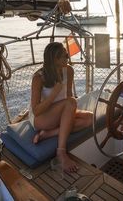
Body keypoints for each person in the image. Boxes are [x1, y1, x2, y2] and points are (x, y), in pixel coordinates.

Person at [29, 42, 93, 173]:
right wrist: (54, 94)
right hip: (41, 118)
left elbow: (68, 95)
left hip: (59, 113)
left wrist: (69, 112)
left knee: (90, 118)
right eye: (65, 56)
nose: (68, 58)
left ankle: (48, 134)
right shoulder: (39, 78)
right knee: (71, 102)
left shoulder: (68, 70)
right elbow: (36, 111)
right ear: (54, 59)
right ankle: (61, 152)